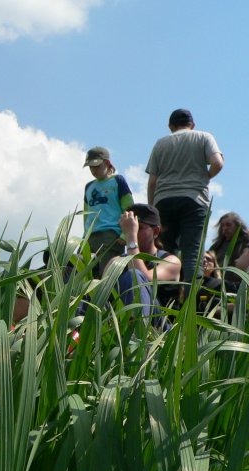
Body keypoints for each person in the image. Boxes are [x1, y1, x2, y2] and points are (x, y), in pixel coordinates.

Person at [146, 108, 224, 283]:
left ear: (170, 126)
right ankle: (190, 303)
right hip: (194, 200)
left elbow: (152, 181)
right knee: (192, 253)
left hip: (164, 200)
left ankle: (166, 298)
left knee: (166, 252)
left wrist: (153, 210)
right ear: (192, 125)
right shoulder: (204, 137)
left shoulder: (160, 143)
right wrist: (205, 177)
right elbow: (217, 163)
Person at [116, 204, 181, 321]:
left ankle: (138, 330)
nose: (134, 232)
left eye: (139, 228)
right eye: (128, 228)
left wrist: (130, 237)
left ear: (155, 231)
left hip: (159, 328)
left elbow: (143, 281)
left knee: (134, 275)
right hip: (121, 323)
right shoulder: (116, 262)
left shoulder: (171, 261)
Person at [82, 146, 134, 277]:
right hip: (91, 236)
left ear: (107, 163)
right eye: (90, 167)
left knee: (106, 275)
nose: (93, 170)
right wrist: (84, 238)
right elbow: (86, 215)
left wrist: (124, 234)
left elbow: (129, 208)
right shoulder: (88, 187)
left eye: (96, 166)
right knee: (86, 275)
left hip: (111, 235)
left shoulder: (118, 181)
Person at [209, 212, 249, 286]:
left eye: (228, 225)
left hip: (240, 285)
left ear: (238, 226)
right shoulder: (217, 246)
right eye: (222, 225)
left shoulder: (245, 242)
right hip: (218, 284)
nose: (225, 228)